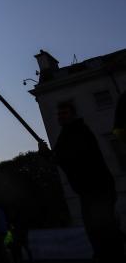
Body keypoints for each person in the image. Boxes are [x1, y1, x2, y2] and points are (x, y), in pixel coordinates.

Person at [39, 100, 125, 263]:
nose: (60, 116)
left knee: (102, 230)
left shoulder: (79, 131)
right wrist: (46, 154)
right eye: (58, 114)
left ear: (73, 114)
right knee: (98, 230)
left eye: (64, 113)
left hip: (98, 189)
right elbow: (60, 158)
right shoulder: (67, 134)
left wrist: (48, 154)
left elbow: (71, 157)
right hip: (89, 191)